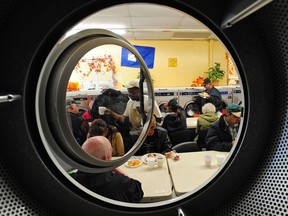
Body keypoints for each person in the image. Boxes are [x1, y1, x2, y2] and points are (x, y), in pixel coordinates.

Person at [73, 136, 144, 203]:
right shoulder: (119, 182)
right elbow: (137, 191)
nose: (112, 150)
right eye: (110, 149)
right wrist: (112, 166)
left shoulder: (74, 180)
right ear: (105, 158)